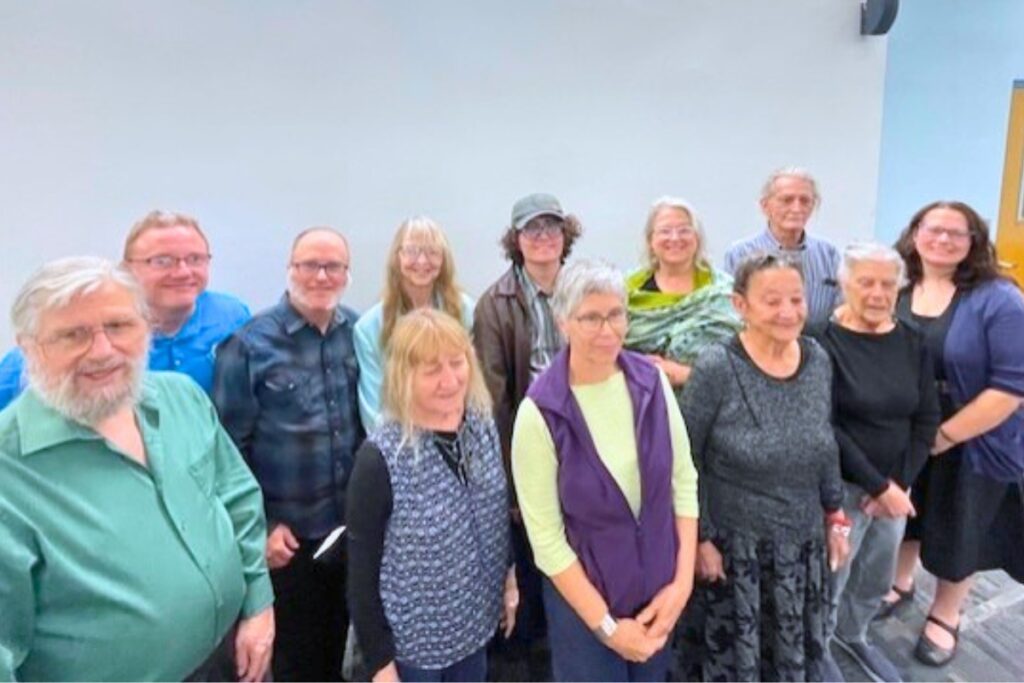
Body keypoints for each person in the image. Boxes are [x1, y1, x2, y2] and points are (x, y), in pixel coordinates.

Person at [0, 257, 273, 682]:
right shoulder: (10, 471)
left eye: (119, 326)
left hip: (228, 660)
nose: (103, 350)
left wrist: (258, 604)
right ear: (30, 346)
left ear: (146, 327)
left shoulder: (182, 399)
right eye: (74, 334)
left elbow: (236, 497)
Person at [511, 259, 699, 682]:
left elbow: (683, 482)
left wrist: (682, 582)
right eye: (591, 318)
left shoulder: (652, 383)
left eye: (615, 314)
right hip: (585, 611)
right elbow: (546, 541)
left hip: (658, 597)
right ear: (562, 323)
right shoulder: (540, 412)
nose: (607, 330)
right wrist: (608, 628)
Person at [681, 251, 850, 681]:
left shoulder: (817, 359)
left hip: (801, 547)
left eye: (796, 299)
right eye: (772, 300)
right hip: (736, 554)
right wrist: (700, 539)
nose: (788, 311)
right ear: (741, 305)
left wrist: (835, 515)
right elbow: (686, 458)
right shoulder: (718, 366)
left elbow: (823, 442)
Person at [213, 227, 362, 681]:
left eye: (332, 266)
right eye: (309, 265)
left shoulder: (358, 333)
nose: (320, 275)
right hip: (288, 542)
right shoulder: (249, 345)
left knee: (345, 649)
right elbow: (225, 451)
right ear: (290, 270)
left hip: (349, 533)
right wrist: (261, 525)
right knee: (298, 662)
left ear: (346, 274)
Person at [881, 201, 1024, 666]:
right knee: (905, 511)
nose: (942, 240)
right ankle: (900, 582)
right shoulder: (898, 285)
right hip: (906, 428)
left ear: (973, 242)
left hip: (974, 436)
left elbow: (1010, 387)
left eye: (956, 234)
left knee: (959, 525)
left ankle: (946, 612)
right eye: (933, 229)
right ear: (915, 233)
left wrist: (942, 437)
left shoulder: (999, 298)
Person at [347, 308, 516, 682]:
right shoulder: (380, 459)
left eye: (457, 363)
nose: (450, 380)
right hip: (412, 652)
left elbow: (494, 513)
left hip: (474, 628)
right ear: (403, 377)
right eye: (431, 370)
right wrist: (379, 664)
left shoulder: (482, 426)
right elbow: (360, 572)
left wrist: (509, 578)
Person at [816, 242, 940, 682]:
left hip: (895, 489)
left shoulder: (912, 341)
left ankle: (855, 635)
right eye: (865, 282)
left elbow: (926, 417)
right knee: (834, 574)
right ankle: (819, 646)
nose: (876, 293)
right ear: (845, 283)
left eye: (887, 284)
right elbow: (826, 425)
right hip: (843, 489)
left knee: (875, 575)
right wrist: (875, 485)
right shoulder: (821, 342)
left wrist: (899, 484)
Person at [472, 192, 583, 678]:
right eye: (531, 230)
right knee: (533, 570)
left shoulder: (583, 289)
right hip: (529, 448)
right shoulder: (495, 304)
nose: (543, 238)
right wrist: (511, 485)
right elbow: (493, 402)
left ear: (566, 236)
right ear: (516, 241)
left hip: (583, 447)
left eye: (552, 228)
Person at [0, 209, 250, 408]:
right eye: (162, 261)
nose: (183, 272)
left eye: (195, 259)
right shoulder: (79, 339)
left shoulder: (232, 317)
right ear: (127, 268)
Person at [354, 216, 474, 430]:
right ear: (396, 257)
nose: (421, 261)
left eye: (432, 252)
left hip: (459, 434)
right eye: (411, 251)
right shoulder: (369, 328)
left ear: (444, 259)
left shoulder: (466, 312)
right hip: (399, 444)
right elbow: (374, 411)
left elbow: (475, 389)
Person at [625, 196, 742, 390]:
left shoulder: (726, 291)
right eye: (665, 231)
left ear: (697, 238)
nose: (675, 238)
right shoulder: (623, 291)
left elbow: (745, 359)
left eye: (684, 230)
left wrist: (687, 375)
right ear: (650, 240)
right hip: (641, 403)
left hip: (713, 403)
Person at [724, 168, 841, 334]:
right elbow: (732, 315)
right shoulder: (740, 254)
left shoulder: (828, 254)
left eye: (805, 201)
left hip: (818, 349)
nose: (796, 208)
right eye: (787, 200)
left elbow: (840, 311)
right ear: (765, 206)